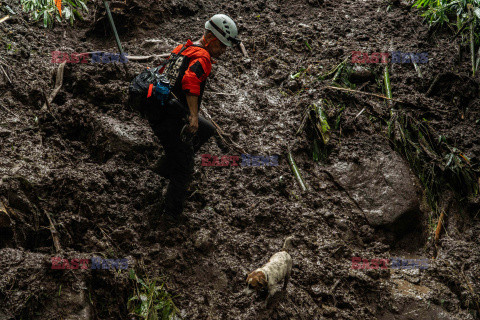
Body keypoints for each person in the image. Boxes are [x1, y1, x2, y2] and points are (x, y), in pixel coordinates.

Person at [147, 14, 240, 223]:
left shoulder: (182, 48)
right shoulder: (203, 57)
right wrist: (193, 115)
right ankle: (169, 216)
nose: (224, 52)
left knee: (206, 129)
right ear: (211, 38)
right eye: (223, 46)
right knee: (184, 168)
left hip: (160, 110)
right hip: (172, 117)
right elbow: (190, 80)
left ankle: (163, 166)